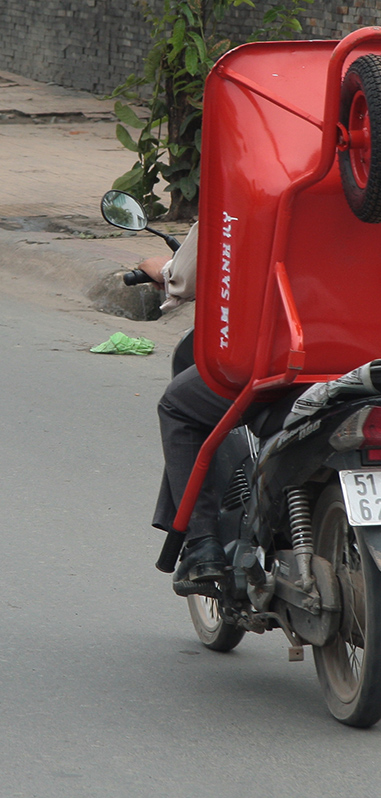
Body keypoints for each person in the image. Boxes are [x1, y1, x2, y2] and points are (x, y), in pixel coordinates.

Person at [139, 225, 232, 593]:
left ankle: (203, 544)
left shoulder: (257, 184)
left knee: (178, 406)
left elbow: (184, 276)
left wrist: (166, 270)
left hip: (277, 364)